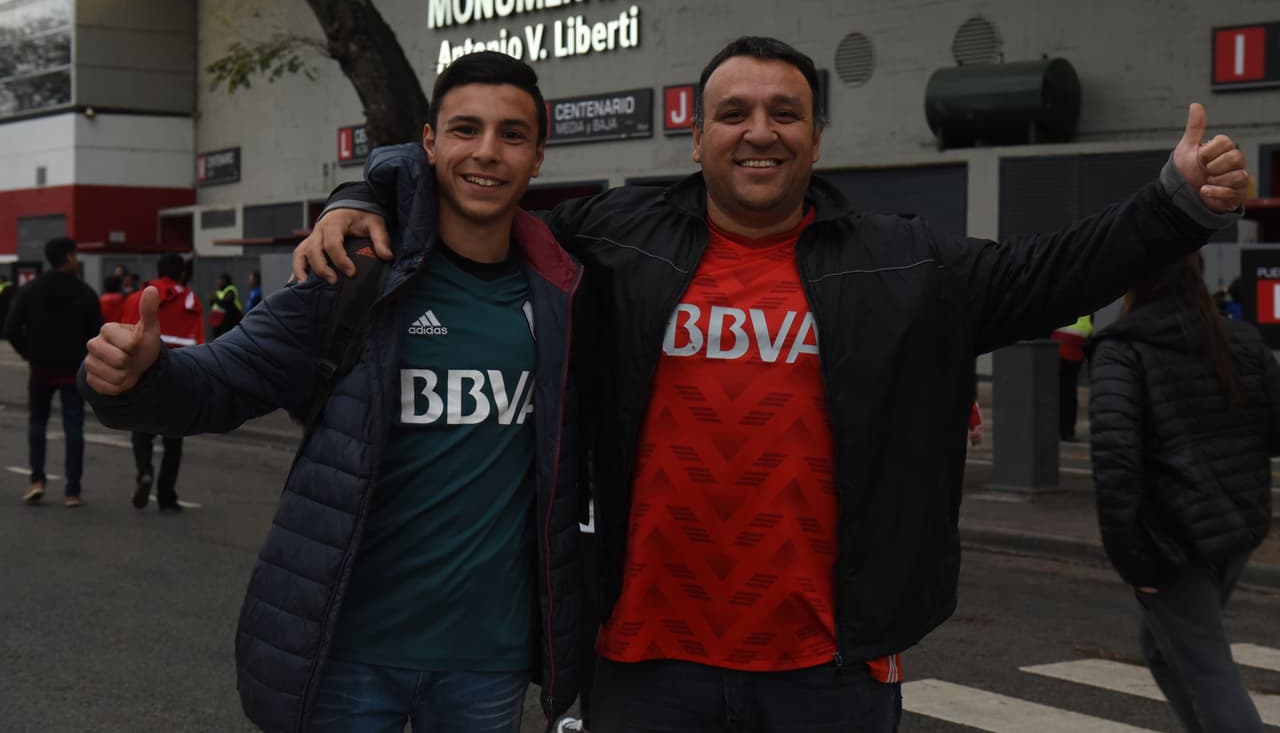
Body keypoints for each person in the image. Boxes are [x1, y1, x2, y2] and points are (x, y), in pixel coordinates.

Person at [299, 36, 1248, 733]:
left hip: (827, 671)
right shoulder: (614, 238)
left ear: (816, 139)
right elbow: (475, 184)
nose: (760, 132)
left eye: (784, 113)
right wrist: (360, 192)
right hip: (644, 664)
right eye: (735, 113)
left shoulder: (900, 259)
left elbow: (1050, 272)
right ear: (699, 135)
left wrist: (1170, 204)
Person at [79, 52, 583, 733]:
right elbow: (222, 380)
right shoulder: (353, 275)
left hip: (486, 663)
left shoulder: (563, 293)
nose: (487, 152)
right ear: (429, 143)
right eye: (465, 129)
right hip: (350, 653)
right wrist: (136, 377)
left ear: (540, 153)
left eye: (513, 134)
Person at [1087, 251, 1278, 732]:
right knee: (1162, 648)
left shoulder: (1122, 349)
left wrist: (1134, 562)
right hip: (1234, 527)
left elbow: (1114, 464)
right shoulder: (1239, 341)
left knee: (1208, 672)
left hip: (1172, 541)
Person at [4, 237, 102, 507]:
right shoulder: (84, 292)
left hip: (41, 369)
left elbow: (11, 328)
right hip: (73, 371)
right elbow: (98, 333)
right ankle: (72, 490)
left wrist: (29, 353)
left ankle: (37, 480)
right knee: (74, 427)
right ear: (68, 257)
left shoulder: (31, 289)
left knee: (37, 423)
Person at [121, 253, 204, 512]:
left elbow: (124, 337)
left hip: (144, 377)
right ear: (181, 274)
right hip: (178, 378)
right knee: (173, 441)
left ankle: (145, 472)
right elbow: (199, 344)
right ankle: (167, 496)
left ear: (158, 272)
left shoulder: (138, 297)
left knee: (141, 432)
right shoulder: (190, 299)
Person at [1051, 314, 1093, 441]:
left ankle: (1055, 429)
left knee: (1054, 394)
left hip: (1056, 351)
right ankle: (1067, 432)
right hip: (1074, 355)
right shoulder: (1087, 308)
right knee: (1069, 395)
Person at [208, 271, 243, 337]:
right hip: (219, 321)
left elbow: (227, 302)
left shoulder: (231, 289)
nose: (219, 281)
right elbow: (213, 304)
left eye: (221, 279)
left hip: (231, 319)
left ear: (225, 281)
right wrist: (212, 300)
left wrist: (216, 299)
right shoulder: (218, 292)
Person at [0, 274, 13, 338]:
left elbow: (3, 297)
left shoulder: (7, 287)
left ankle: (3, 334)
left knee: (3, 321)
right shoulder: (6, 286)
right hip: (5, 308)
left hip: (4, 308)